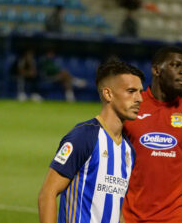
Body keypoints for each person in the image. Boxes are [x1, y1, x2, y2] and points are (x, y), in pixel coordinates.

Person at [122, 46, 182, 223]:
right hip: (128, 217)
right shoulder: (129, 108)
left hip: (174, 218)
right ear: (156, 70)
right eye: (176, 65)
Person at [38, 60, 145, 223]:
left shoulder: (129, 150)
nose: (139, 99)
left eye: (140, 92)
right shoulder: (84, 137)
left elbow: (117, 209)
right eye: (131, 91)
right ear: (108, 94)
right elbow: (48, 193)